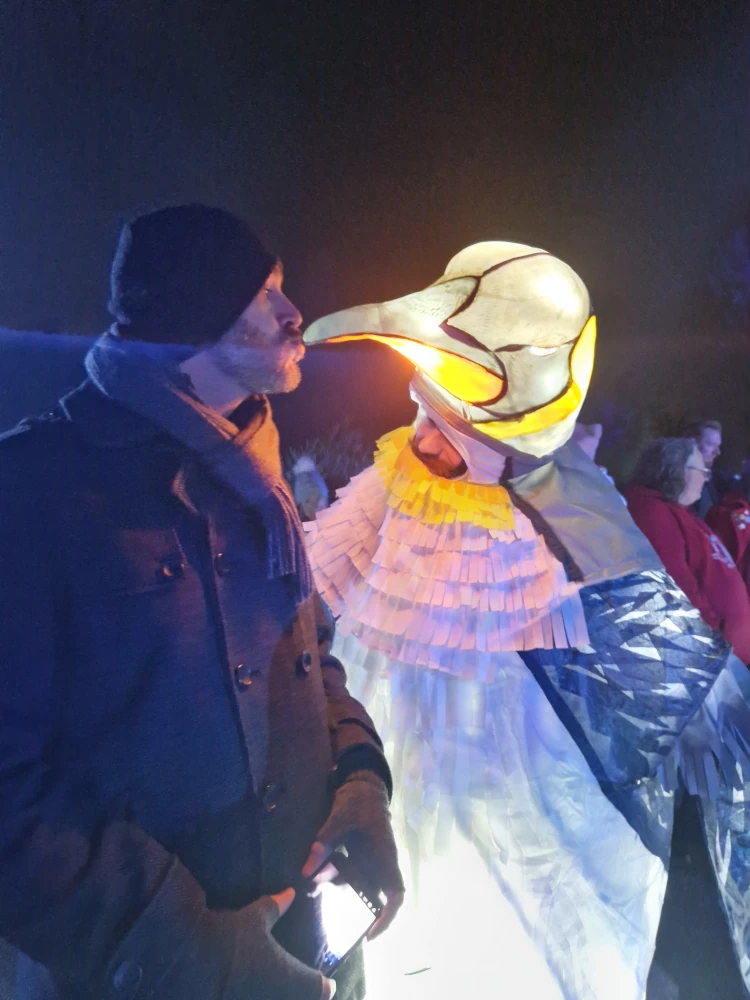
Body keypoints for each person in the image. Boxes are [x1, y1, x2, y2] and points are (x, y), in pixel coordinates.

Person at [302, 242, 750, 1000]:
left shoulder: (577, 527)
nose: (423, 442)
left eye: (453, 434)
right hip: (379, 834)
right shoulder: (390, 492)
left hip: (526, 878)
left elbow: (707, 716)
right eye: (422, 412)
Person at [0, 204, 403, 1000]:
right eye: (263, 292)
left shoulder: (257, 471)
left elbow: (312, 662)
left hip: (313, 940)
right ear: (195, 313)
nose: (294, 314)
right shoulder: (36, 485)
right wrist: (184, 951)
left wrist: (362, 786)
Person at [624, 437, 750, 664]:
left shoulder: (677, 512)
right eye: (703, 471)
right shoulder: (652, 512)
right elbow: (675, 580)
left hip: (726, 658)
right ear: (678, 470)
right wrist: (712, 638)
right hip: (709, 659)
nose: (706, 478)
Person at [683, 419, 722, 519]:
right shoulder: (678, 481)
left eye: (718, 446)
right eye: (710, 444)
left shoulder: (710, 480)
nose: (717, 452)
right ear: (692, 443)